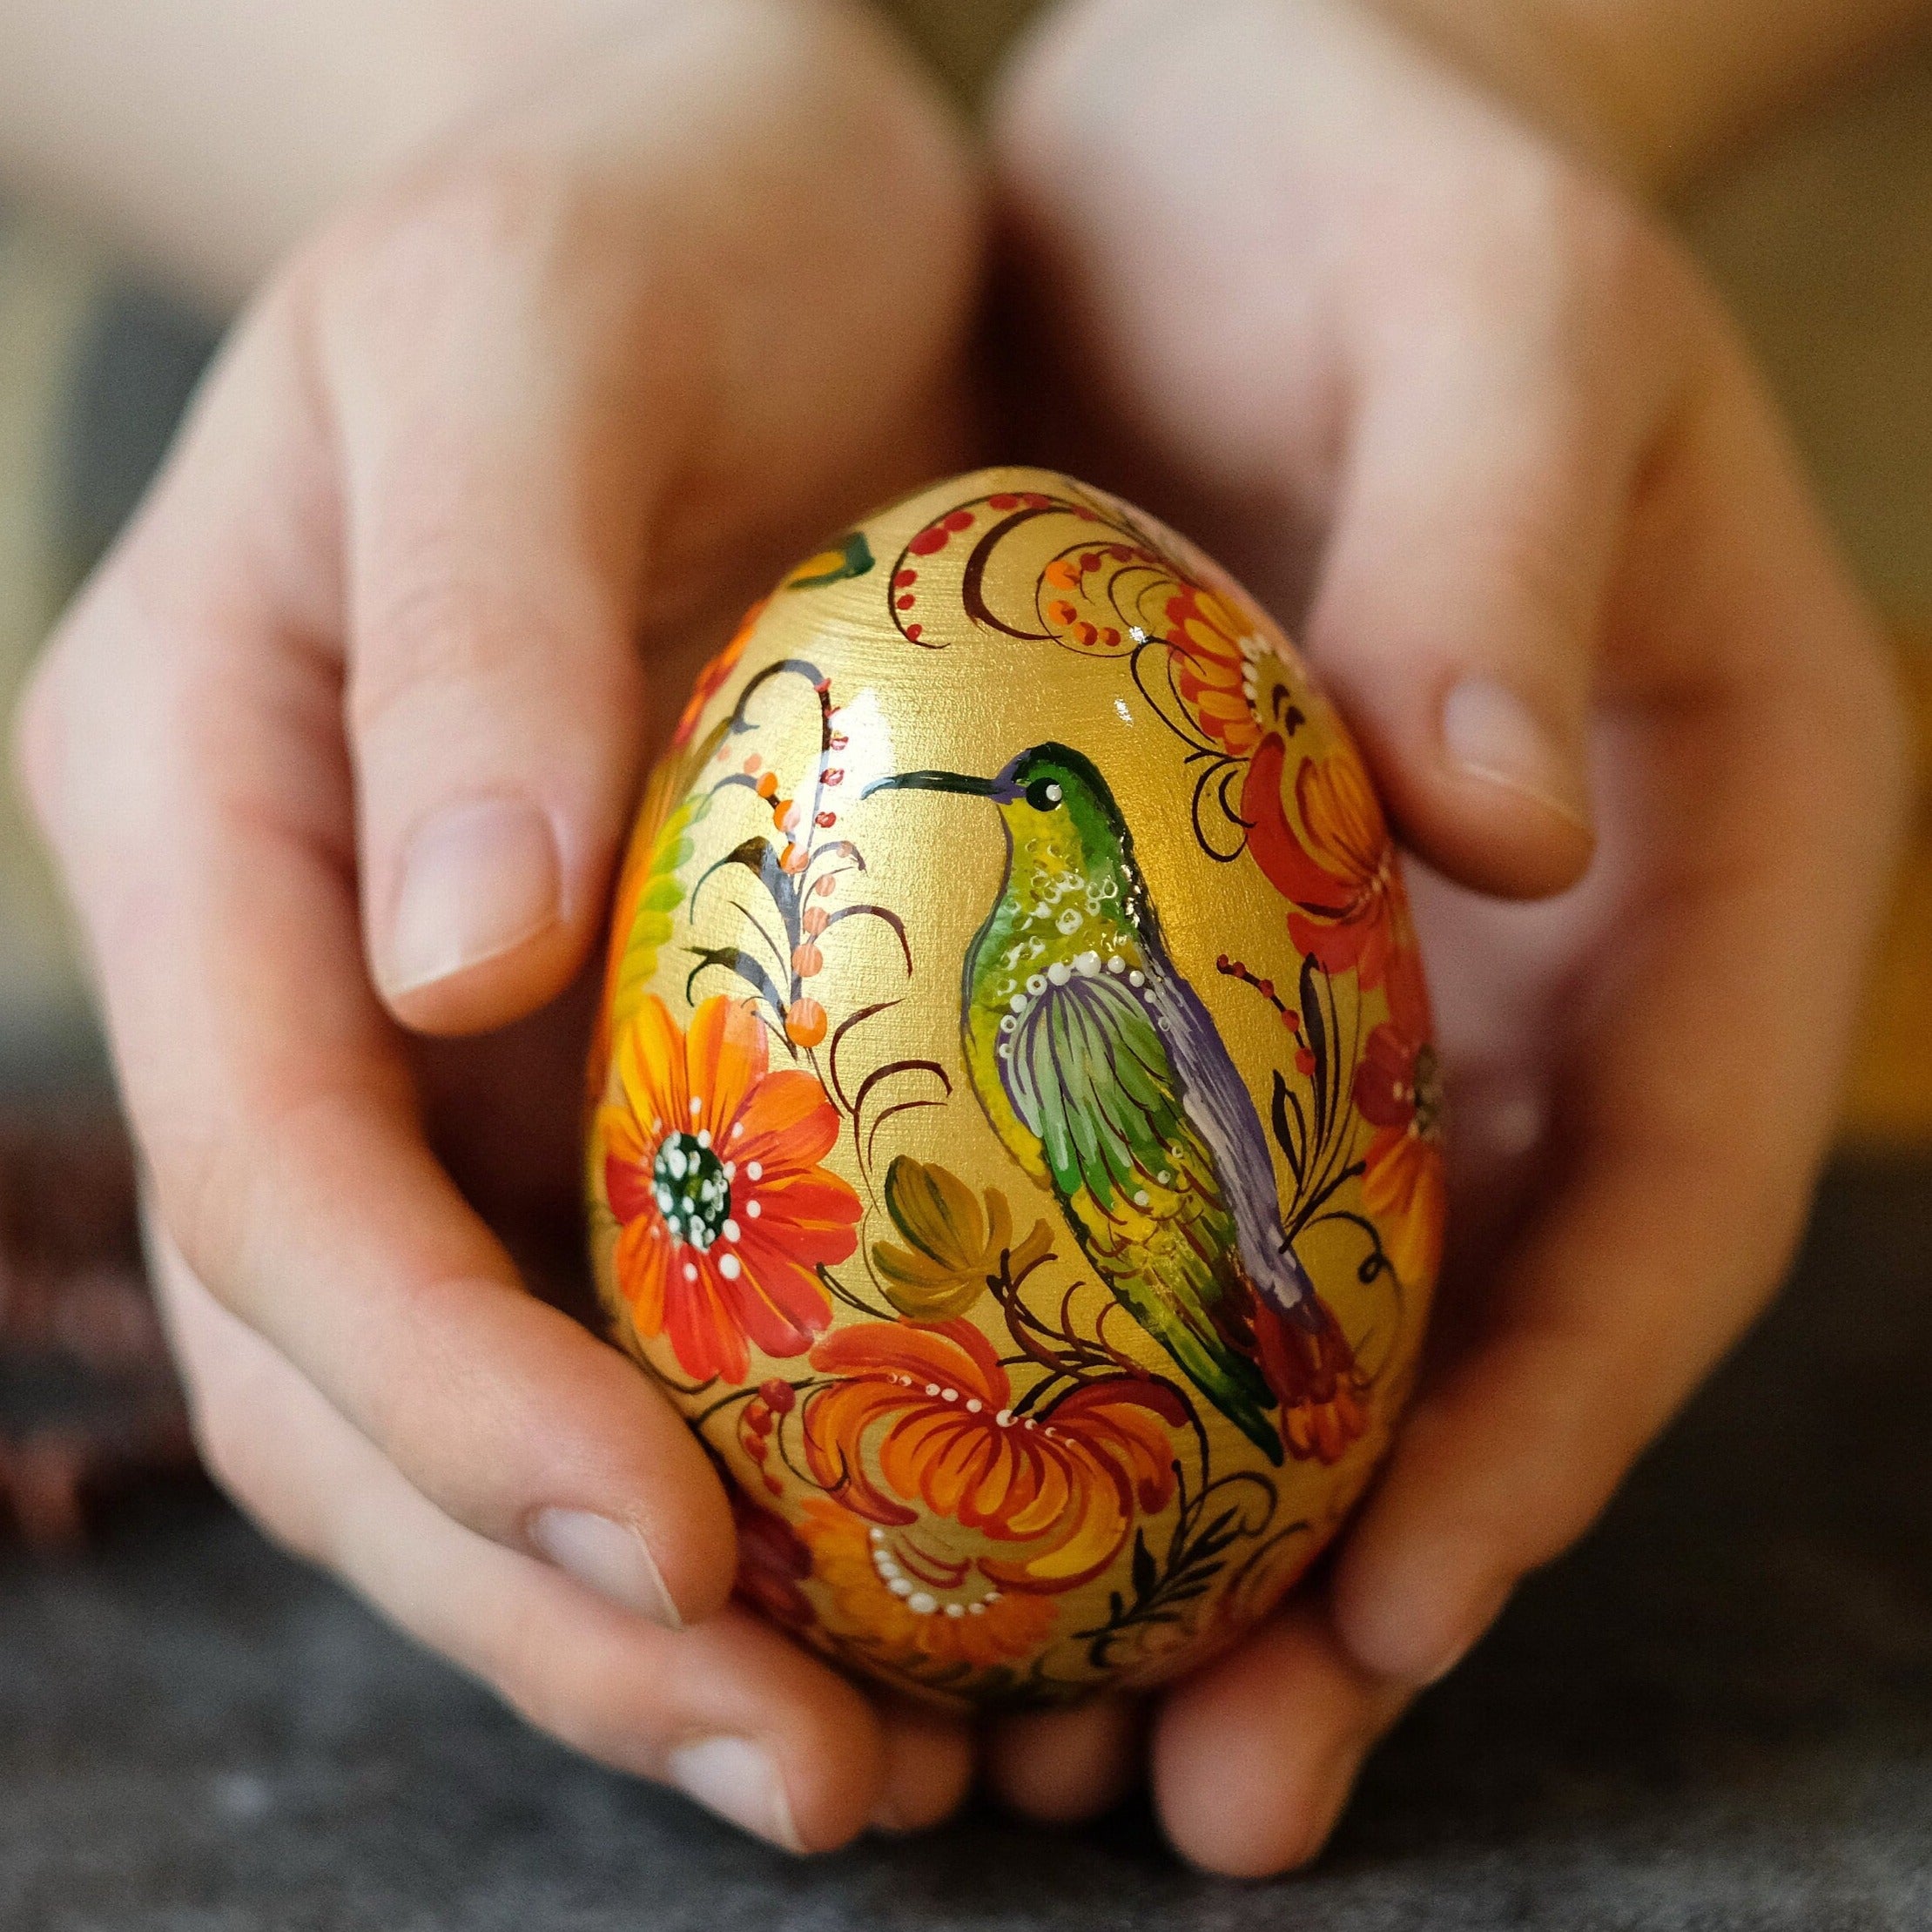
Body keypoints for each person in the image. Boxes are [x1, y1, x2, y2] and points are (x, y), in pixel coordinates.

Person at [4, 0, 1913, 1877]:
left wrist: (1495, 48)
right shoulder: (1037, 968)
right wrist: (560, 79)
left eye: (1030, 809)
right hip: (447, 428)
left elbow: (1173, 1170)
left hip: (1688, 715)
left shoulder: (1080, 985)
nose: (1000, 823)